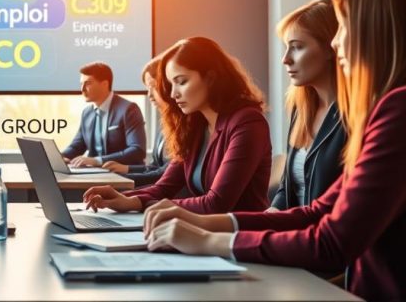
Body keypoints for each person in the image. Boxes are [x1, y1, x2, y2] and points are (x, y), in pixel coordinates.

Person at [142, 0, 406, 301]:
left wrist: (209, 241)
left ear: (378, 30)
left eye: (344, 27)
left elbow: (333, 243)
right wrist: (203, 224)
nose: (335, 42)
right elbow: (317, 211)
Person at [84, 37, 271, 214]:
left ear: (211, 78)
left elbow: (217, 203)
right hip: (201, 232)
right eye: (170, 84)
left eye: (181, 82)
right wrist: (124, 198)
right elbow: (164, 187)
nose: (173, 94)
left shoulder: (247, 122)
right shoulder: (196, 127)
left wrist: (149, 205)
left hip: (241, 238)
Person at [270, 0, 347, 210]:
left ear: (330, 48)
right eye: (286, 48)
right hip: (294, 232)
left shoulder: (354, 116)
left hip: (321, 237)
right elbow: (287, 187)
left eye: (297, 47)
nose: (285, 59)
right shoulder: (301, 107)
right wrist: (271, 213)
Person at [102, 57, 173, 187]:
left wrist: (123, 178)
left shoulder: (184, 127)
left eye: (153, 86)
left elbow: (165, 173)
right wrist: (127, 169)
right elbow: (155, 167)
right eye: (147, 88)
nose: (150, 95)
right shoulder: (166, 123)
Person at [61, 62, 147, 167]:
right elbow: (77, 146)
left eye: (88, 83)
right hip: (96, 174)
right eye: (81, 84)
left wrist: (98, 160)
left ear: (105, 84)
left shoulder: (128, 109)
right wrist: (59, 157)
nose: (82, 89)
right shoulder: (87, 113)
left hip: (125, 175)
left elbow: (137, 150)